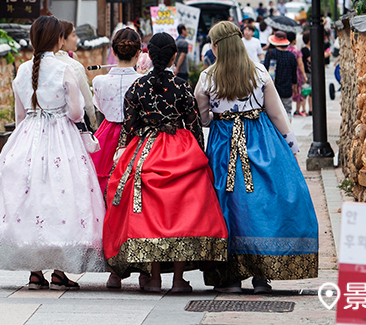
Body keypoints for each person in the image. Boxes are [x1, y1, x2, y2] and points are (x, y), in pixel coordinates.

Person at [0, 16, 105, 289]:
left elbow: (20, 114)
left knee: (31, 198)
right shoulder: (64, 69)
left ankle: (35, 271)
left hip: (28, 138)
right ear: (59, 40)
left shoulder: (23, 71)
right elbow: (75, 112)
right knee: (62, 198)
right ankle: (60, 269)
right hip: (61, 139)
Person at [194, 21, 318, 294]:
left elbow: (202, 119)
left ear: (216, 47)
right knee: (263, 203)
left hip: (223, 145)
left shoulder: (207, 78)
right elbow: (276, 113)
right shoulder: (259, 73)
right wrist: (291, 143)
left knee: (227, 203)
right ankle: (263, 276)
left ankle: (230, 277)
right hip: (261, 141)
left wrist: (220, 115)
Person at [103, 32, 228, 293]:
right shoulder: (182, 86)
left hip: (146, 149)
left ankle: (154, 277)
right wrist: (199, 155)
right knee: (182, 211)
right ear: (174, 56)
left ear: (148, 54)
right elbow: (194, 125)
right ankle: (179, 279)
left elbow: (130, 126)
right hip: (179, 149)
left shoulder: (136, 87)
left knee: (150, 212)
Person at [91, 28, 142, 196]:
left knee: (102, 182)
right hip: (136, 135)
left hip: (107, 134)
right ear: (138, 53)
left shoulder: (99, 81)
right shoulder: (143, 82)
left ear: (113, 51)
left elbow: (99, 107)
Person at [56, 20, 98, 130]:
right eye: (73, 35)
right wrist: (93, 123)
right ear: (62, 40)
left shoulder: (32, 65)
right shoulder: (72, 64)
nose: (77, 39)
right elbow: (86, 98)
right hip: (72, 123)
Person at [263, 31, 298, 118]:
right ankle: (288, 130)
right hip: (287, 89)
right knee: (287, 112)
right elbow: (294, 74)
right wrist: (295, 87)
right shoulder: (291, 56)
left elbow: (265, 71)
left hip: (272, 89)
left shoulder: (271, 53)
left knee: (272, 114)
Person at [287, 33, 307, 117]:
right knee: (298, 91)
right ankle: (297, 110)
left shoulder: (285, 50)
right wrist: (304, 75)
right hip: (297, 73)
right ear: (294, 40)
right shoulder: (297, 51)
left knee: (289, 91)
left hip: (287, 73)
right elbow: (301, 63)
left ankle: (288, 108)